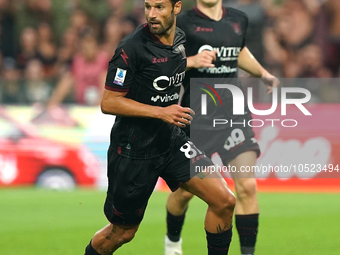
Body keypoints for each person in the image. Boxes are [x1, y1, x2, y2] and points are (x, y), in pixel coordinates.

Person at [84, 1, 236, 255]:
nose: (152, 15)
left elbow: (162, 66)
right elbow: (109, 102)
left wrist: (193, 61)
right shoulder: (130, 49)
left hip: (170, 141)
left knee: (224, 201)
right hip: (134, 151)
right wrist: (161, 112)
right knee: (122, 233)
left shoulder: (178, 38)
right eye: (148, 7)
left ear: (176, 8)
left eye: (159, 7)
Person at [164, 1, 280, 255]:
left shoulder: (238, 18)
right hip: (197, 118)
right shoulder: (182, 22)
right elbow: (162, 61)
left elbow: (238, 52)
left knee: (247, 187)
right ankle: (172, 242)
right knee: (184, 194)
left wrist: (263, 73)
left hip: (233, 114)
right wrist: (192, 60)